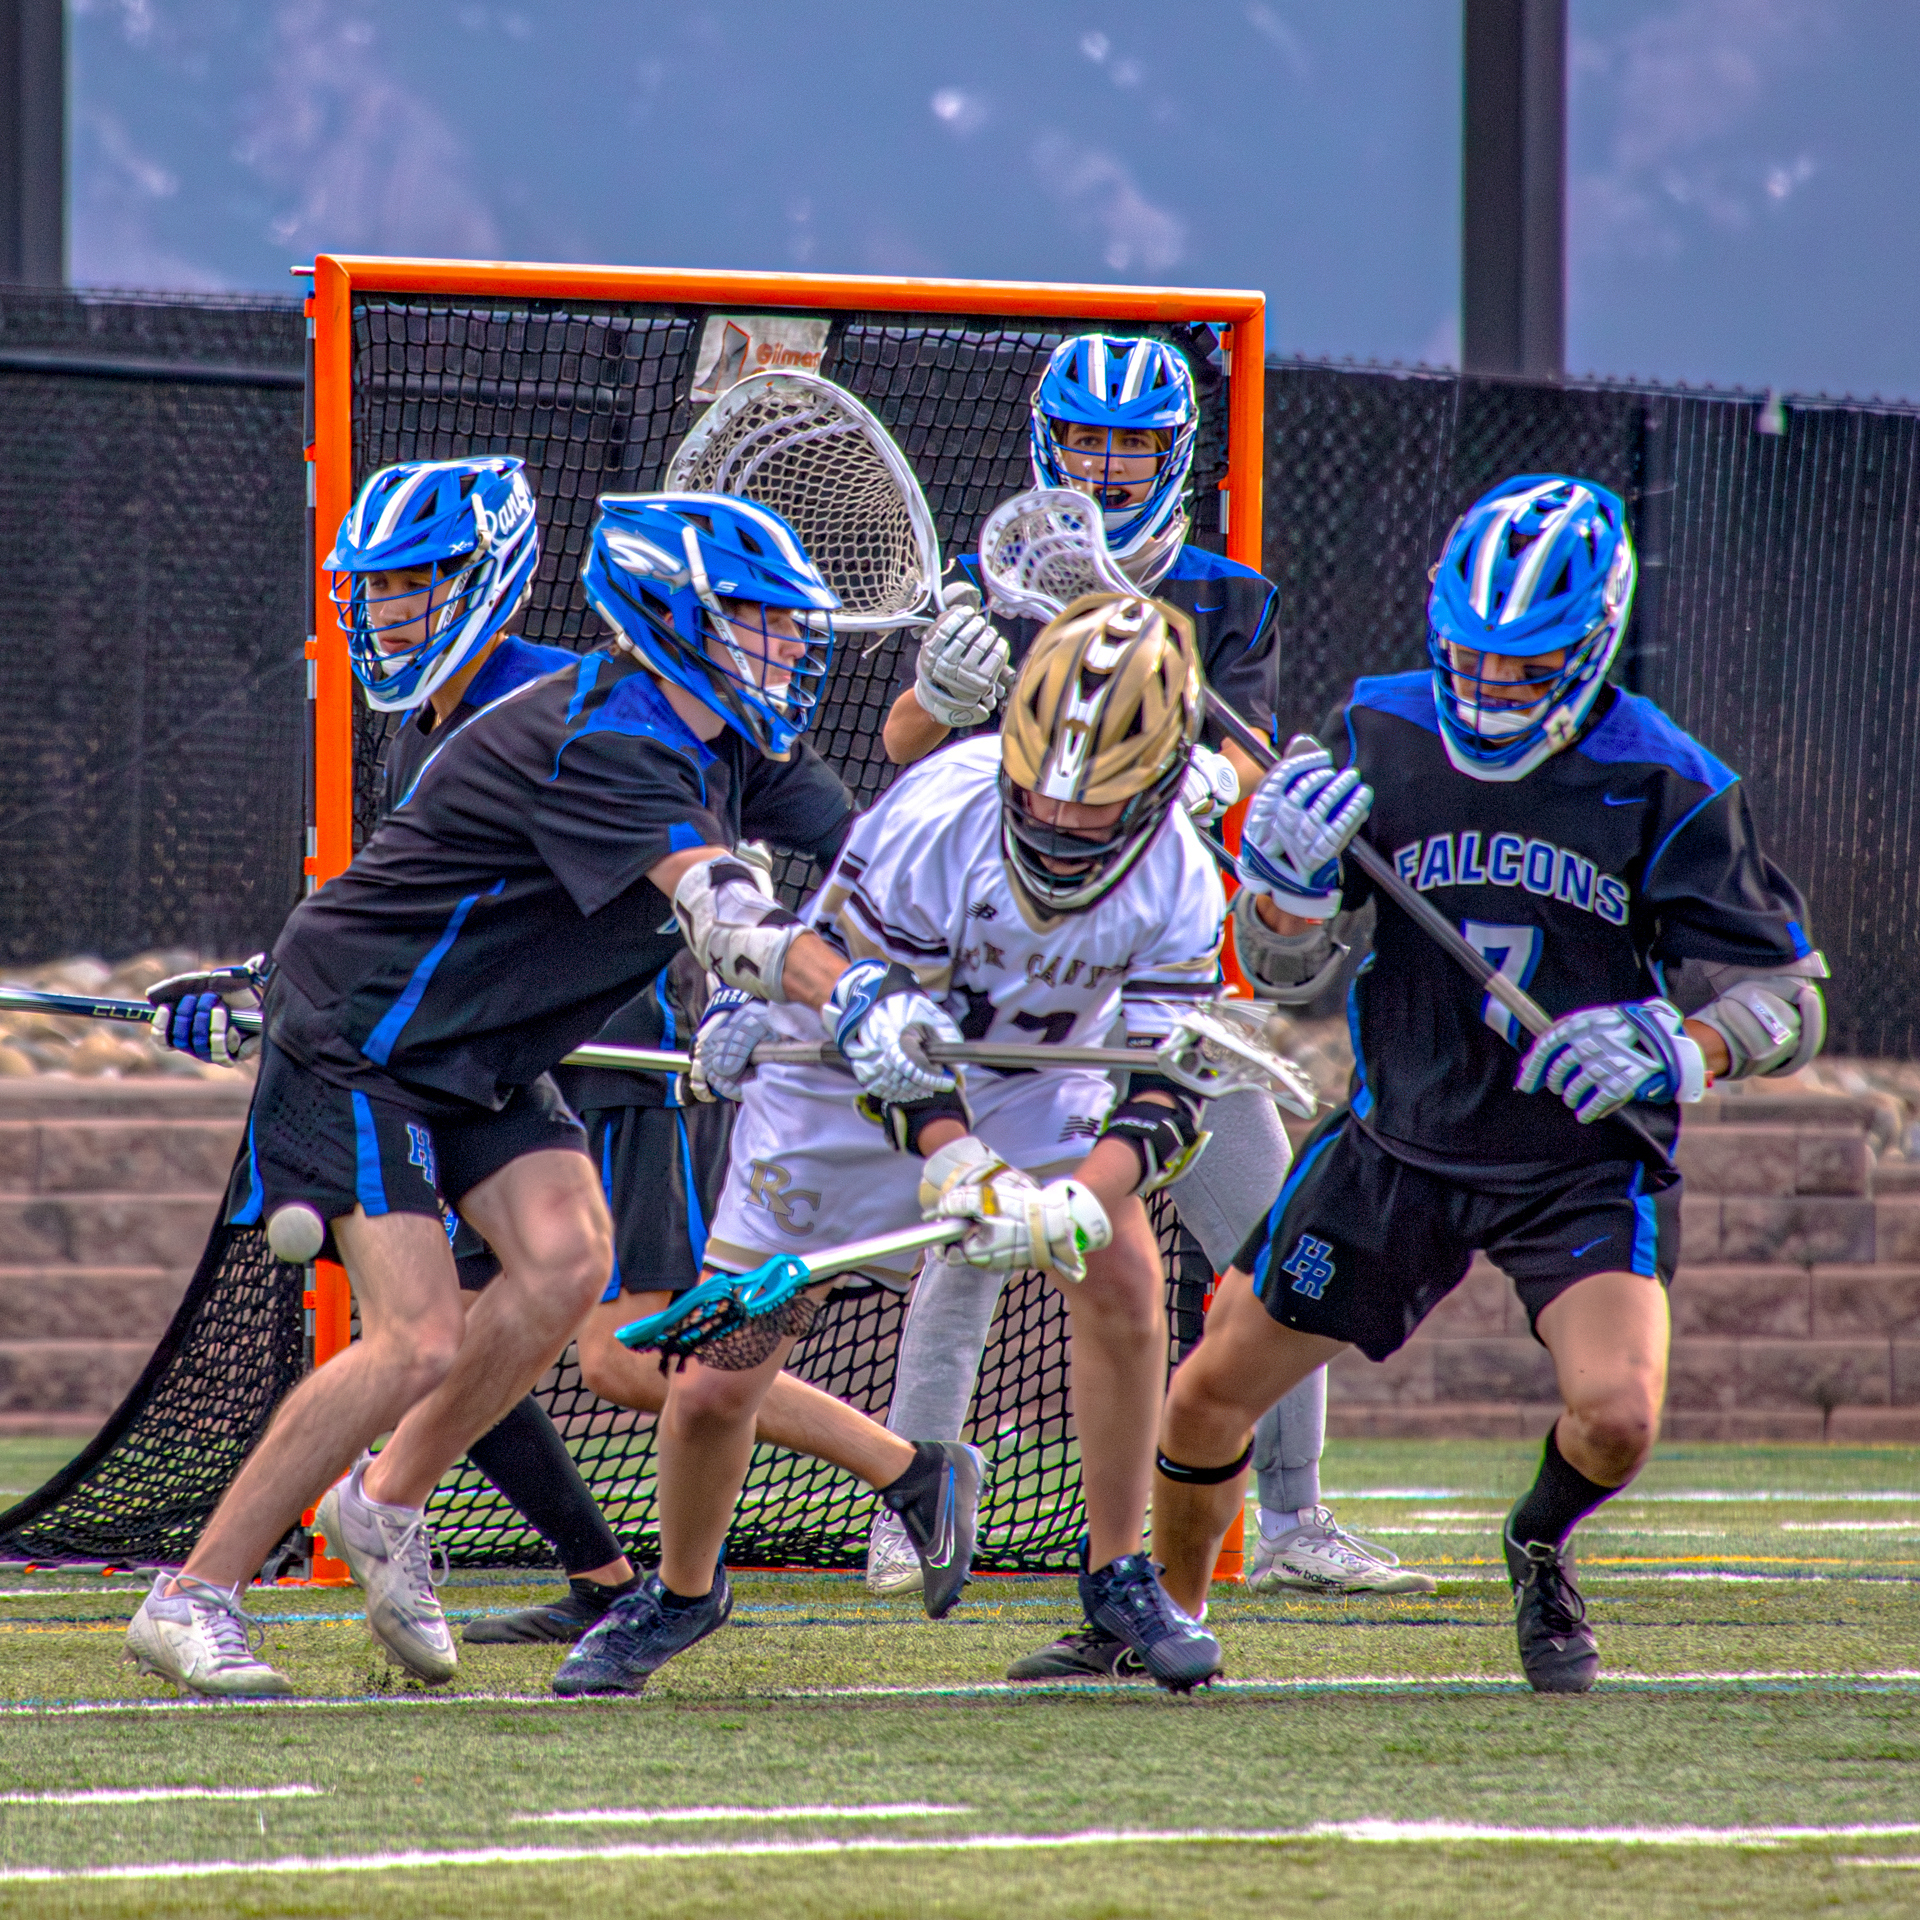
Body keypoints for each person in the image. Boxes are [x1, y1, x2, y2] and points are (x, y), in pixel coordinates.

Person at [124, 473, 977, 1697]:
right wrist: (827, 996)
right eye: (761, 617)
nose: (791, 643)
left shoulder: (736, 743)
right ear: (676, 618)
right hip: (363, 1041)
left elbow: (876, 870)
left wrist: (974, 762)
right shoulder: (614, 736)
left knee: (574, 1265)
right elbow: (718, 906)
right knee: (415, 1336)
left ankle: (388, 1499)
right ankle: (194, 1593)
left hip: (485, 1053)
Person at [1145, 474, 1828, 1692]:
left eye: (1528, 666)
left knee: (1617, 1416)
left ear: (1595, 643)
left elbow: (1793, 995)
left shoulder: (1665, 780)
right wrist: (1284, 895)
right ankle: (1164, 1622)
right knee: (1205, 1396)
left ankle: (1539, 1541)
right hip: (1397, 1143)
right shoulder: (1382, 729)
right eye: (1474, 656)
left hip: (1576, 1160)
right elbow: (1275, 966)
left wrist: (1685, 1043)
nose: (1493, 687)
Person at [870, 332, 1430, 1654]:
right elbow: (900, 754)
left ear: (1173, 455)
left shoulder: (1232, 598)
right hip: (1019, 980)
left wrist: (1242, 784)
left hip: (1167, 971)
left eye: (1133, 444)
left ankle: (1290, 1521)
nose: (1111, 465)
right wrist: (934, 695)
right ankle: (911, 1506)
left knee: (1286, 1239)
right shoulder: (992, 582)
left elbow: (1223, 776)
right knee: (976, 1243)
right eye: (1092, 442)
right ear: (1051, 449)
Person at [652, 591, 1287, 1697]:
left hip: (1038, 1080)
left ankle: (1116, 1573)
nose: (1060, 820)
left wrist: (1084, 1196)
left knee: (1125, 1274)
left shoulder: (1183, 876)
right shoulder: (938, 811)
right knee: (720, 1380)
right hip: (851, 1074)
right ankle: (681, 1592)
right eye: (1039, 789)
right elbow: (875, 1030)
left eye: (1096, 806)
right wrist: (959, 1163)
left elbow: (1168, 1081)